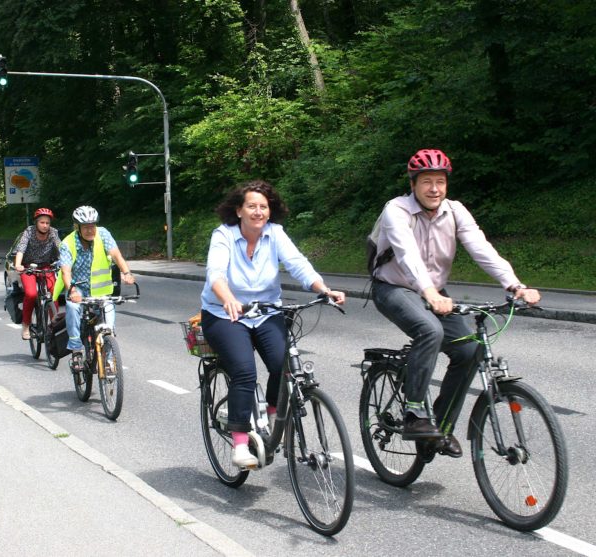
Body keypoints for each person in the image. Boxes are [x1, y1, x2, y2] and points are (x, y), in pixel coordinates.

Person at [370, 148, 540, 458]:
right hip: (393, 288)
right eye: (426, 182)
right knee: (429, 331)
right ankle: (414, 414)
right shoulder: (396, 210)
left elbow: (481, 248)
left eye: (440, 181)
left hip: (434, 290)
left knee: (469, 349)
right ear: (413, 185)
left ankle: (439, 430)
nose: (434, 189)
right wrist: (430, 293)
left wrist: (514, 284)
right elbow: (407, 254)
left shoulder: (455, 211)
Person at [200, 180, 345, 469]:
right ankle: (240, 443)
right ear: (239, 210)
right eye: (251, 206)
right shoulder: (224, 236)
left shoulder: (275, 234)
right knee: (244, 371)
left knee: (284, 365)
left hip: (266, 312)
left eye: (263, 207)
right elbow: (215, 272)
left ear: (270, 210)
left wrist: (323, 289)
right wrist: (228, 298)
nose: (258, 212)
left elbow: (298, 264)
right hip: (225, 314)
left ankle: (274, 421)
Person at [54, 206, 135, 365]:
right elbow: (66, 272)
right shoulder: (68, 243)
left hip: (101, 291)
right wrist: (72, 290)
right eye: (86, 227)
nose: (90, 230)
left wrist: (127, 273)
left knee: (108, 322)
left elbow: (116, 255)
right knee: (72, 307)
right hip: (78, 290)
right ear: (77, 227)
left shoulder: (103, 234)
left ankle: (109, 357)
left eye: (92, 226)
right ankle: (76, 348)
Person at [13, 208, 61, 340]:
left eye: (47, 223)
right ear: (36, 223)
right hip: (28, 267)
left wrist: (66, 262)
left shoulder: (53, 233)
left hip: (46, 266)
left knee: (54, 291)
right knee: (31, 294)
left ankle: (54, 323)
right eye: (42, 222)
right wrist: (18, 264)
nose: (45, 225)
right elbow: (21, 249)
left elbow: (61, 248)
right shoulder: (29, 232)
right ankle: (26, 325)